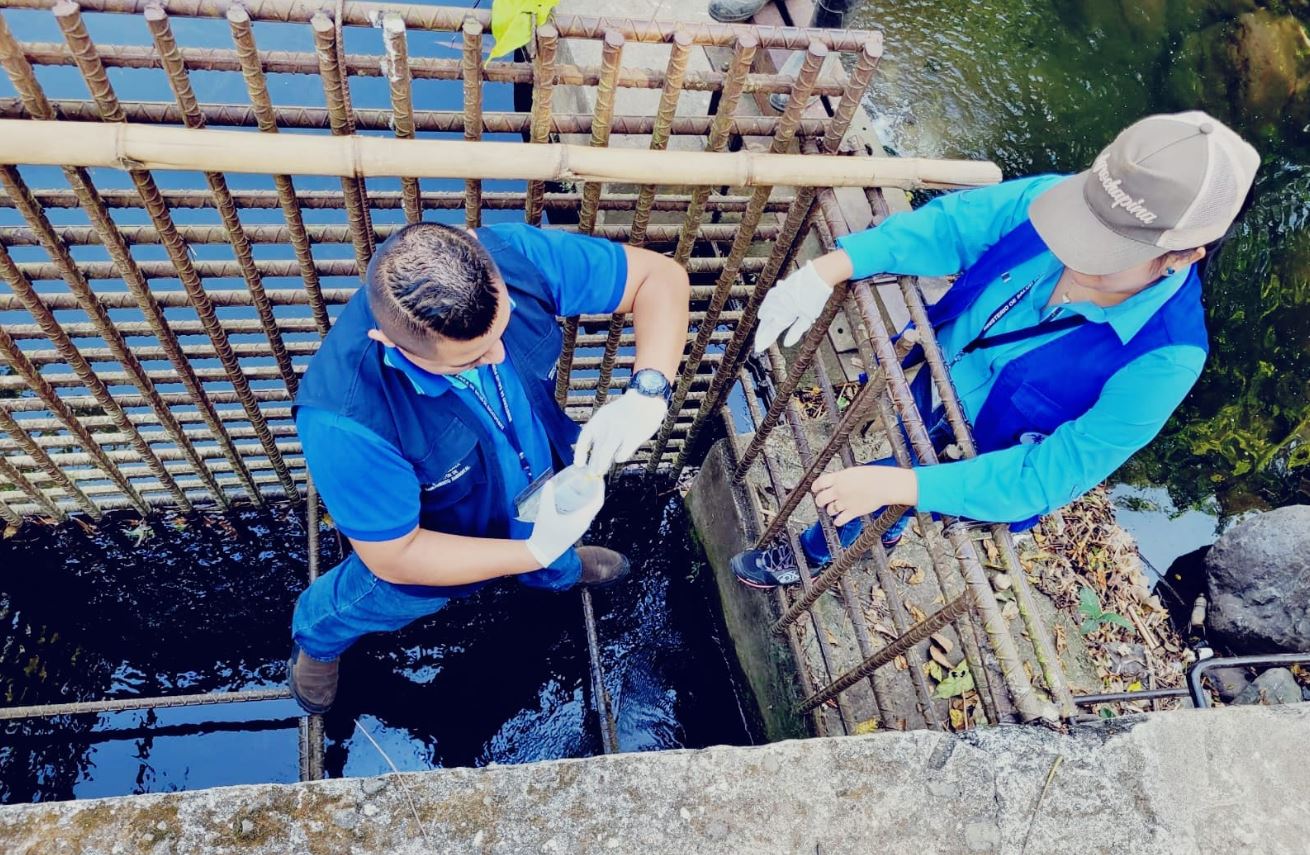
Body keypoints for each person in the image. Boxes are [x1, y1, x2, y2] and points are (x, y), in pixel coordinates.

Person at [731, 111, 1259, 588]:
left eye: (1107, 249)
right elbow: (953, 226)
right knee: (891, 461)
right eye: (1083, 225)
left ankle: (812, 555)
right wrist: (832, 267)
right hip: (937, 368)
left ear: (1185, 255)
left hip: (981, 449)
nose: (1072, 246)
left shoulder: (1165, 360)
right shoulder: (1064, 198)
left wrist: (907, 485)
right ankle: (886, 518)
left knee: (881, 496)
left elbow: (1048, 473)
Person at [288, 222, 690, 713]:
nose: (497, 357)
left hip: (538, 485)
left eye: (501, 330)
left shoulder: (513, 255)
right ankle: (319, 643)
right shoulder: (345, 421)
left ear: (480, 253)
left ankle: (557, 568)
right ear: (388, 342)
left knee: (554, 550)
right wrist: (533, 552)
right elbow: (396, 556)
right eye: (469, 361)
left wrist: (648, 393)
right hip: (436, 543)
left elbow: (659, 278)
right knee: (380, 597)